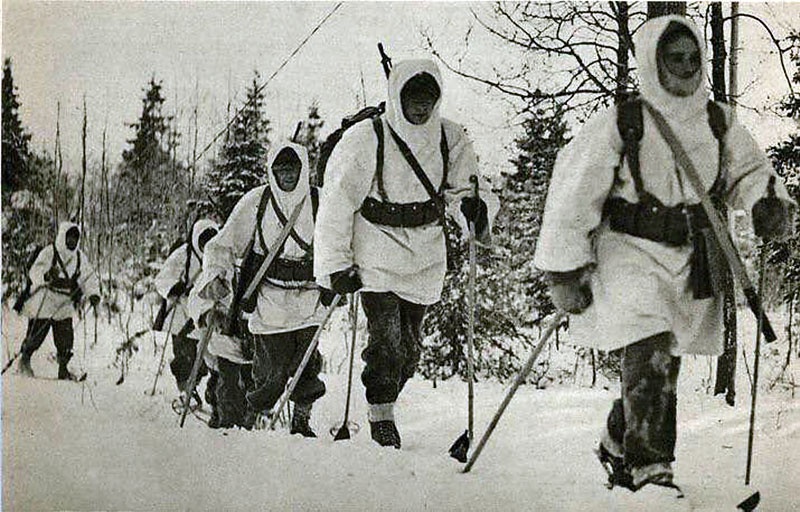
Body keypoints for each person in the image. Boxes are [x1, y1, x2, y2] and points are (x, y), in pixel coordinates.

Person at [533, 16, 794, 492]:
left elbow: (751, 173)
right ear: (653, 62)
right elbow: (576, 190)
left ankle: (619, 438)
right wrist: (564, 268)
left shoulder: (718, 122)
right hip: (628, 254)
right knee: (651, 346)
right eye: (676, 58)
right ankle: (650, 470)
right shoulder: (623, 122)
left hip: (691, 255)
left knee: (663, 359)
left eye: (694, 58)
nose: (687, 66)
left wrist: (767, 203)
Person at [314, 59, 497, 449]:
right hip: (375, 251)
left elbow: (466, 188)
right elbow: (336, 201)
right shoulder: (368, 137)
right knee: (387, 340)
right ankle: (381, 415)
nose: (421, 107)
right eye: (412, 97)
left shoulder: (450, 138)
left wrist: (474, 211)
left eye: (429, 98)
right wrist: (335, 263)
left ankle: (386, 398)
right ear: (397, 96)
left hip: (425, 256)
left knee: (410, 350)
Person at [195, 141, 330, 436]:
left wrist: (345, 270)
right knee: (271, 371)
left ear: (303, 168)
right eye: (281, 170)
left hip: (310, 298)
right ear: (272, 171)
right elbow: (223, 244)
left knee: (307, 362)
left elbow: (342, 237)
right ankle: (252, 418)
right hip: (271, 299)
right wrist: (216, 276)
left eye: (293, 169)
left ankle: (301, 421)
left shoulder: (321, 202)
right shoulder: (257, 202)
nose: (288, 176)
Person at [17, 221, 100, 380]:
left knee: (65, 338)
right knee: (36, 334)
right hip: (46, 298)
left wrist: (93, 294)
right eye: (69, 237)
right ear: (63, 237)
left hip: (64, 302)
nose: (72, 241)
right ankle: (24, 361)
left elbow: (89, 277)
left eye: (75, 238)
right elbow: (35, 270)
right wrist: (45, 276)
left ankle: (64, 369)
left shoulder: (79, 257)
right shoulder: (50, 252)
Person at [154, 218, 220, 418]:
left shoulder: (218, 256)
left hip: (203, 315)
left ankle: (212, 393)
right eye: (203, 241)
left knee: (208, 358)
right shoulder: (183, 255)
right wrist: (175, 287)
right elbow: (163, 277)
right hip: (181, 314)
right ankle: (187, 392)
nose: (206, 246)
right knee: (185, 357)